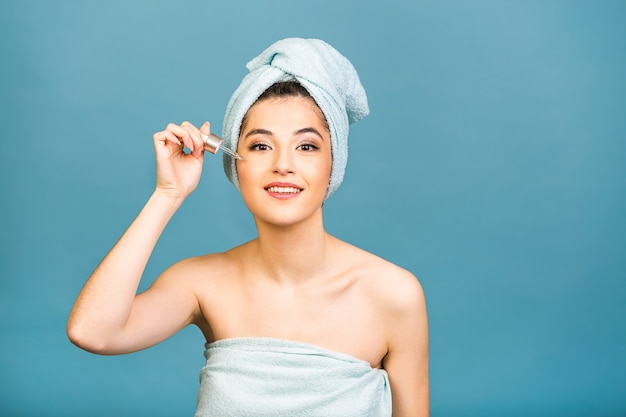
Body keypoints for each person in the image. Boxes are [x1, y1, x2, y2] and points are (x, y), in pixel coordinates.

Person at [67, 38, 429, 417]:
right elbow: (92, 332)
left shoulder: (394, 294)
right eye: (260, 146)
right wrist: (168, 194)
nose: (283, 165)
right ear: (235, 164)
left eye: (306, 147)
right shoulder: (201, 282)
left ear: (333, 165)